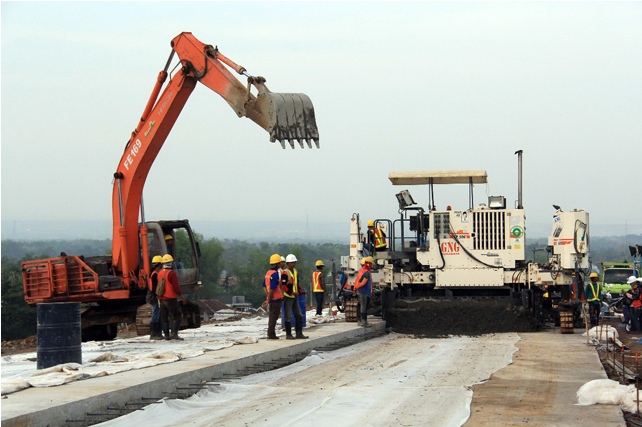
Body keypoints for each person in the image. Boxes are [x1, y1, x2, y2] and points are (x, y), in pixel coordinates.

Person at [157, 254, 187, 340]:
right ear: (170, 263)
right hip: (170, 298)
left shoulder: (159, 273)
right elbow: (176, 287)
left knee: (164, 317)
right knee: (177, 314)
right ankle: (174, 334)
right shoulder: (171, 274)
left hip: (161, 299)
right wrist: (182, 296)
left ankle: (166, 335)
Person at [280, 254, 308, 339]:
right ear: (288, 263)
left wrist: (300, 290)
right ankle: (288, 334)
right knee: (288, 316)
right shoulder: (285, 273)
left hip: (295, 297)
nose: (293, 264)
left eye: (294, 262)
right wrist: (292, 293)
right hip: (288, 297)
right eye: (291, 263)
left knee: (299, 315)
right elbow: (283, 286)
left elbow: (297, 283)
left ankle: (299, 333)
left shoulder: (295, 271)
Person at [263, 254, 283, 340]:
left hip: (271, 298)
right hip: (275, 299)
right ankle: (271, 334)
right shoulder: (275, 275)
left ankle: (271, 333)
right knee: (273, 318)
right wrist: (269, 299)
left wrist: (267, 297)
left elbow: (264, 286)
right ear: (277, 264)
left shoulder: (268, 273)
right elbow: (272, 288)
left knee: (272, 316)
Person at [146, 255, 164, 340]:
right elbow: (153, 287)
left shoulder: (154, 273)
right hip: (154, 296)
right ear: (159, 264)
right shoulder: (154, 275)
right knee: (156, 314)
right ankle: (154, 334)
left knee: (158, 313)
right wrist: (157, 295)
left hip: (154, 295)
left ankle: (158, 333)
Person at [353, 256, 374, 327]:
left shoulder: (361, 270)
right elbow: (363, 283)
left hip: (361, 291)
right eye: (371, 264)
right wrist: (357, 287)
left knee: (361, 305)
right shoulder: (367, 273)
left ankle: (360, 320)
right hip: (364, 291)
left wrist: (355, 288)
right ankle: (363, 321)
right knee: (364, 306)